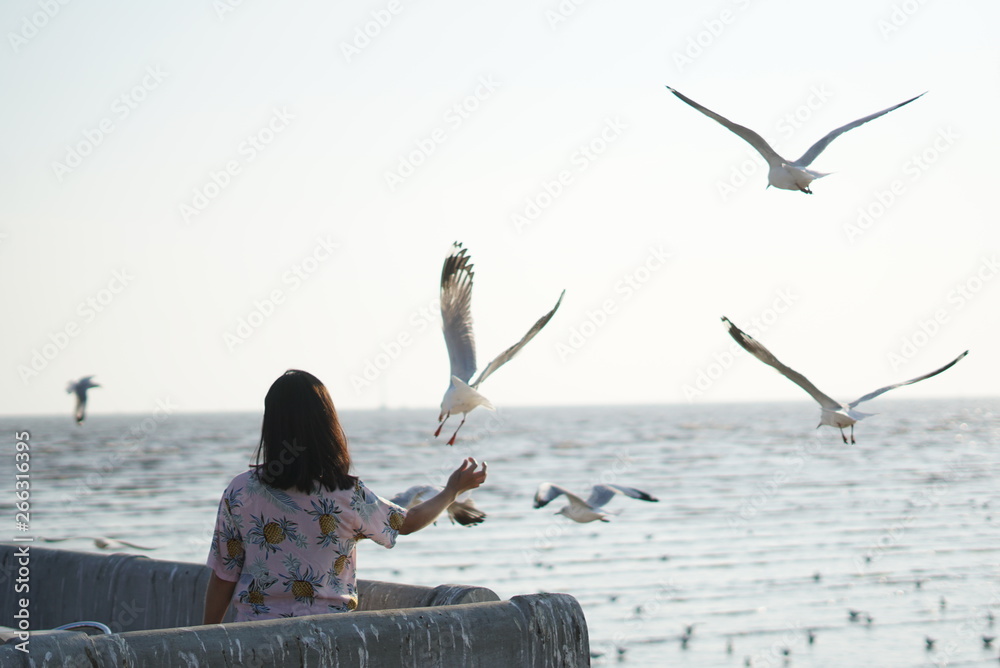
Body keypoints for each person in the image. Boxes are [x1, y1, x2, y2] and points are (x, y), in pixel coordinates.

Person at [203, 369, 487, 624]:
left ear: (272, 424)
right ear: (326, 424)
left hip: (254, 637)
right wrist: (451, 491)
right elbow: (407, 522)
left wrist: (208, 636)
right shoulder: (345, 493)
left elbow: (224, 574)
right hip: (329, 636)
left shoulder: (241, 491)